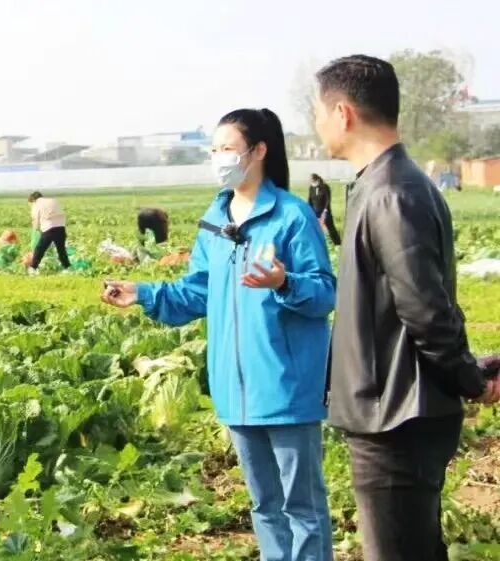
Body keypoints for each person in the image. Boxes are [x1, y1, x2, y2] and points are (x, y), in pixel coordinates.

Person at [104, 108, 335, 561]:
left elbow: (324, 293)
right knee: (264, 505)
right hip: (235, 388)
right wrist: (143, 293)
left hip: (285, 385)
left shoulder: (291, 216)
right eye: (214, 149)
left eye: (227, 148)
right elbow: (198, 291)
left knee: (302, 506)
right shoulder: (215, 219)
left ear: (258, 151)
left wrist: (284, 283)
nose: (219, 158)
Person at [314, 54, 500, 561]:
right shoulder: (384, 184)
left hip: (396, 418)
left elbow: (426, 311)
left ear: (344, 113)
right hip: (391, 411)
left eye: (319, 112)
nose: (317, 123)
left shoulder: (391, 192)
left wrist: (469, 378)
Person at [27, 191, 70, 273]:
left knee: (39, 249)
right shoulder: (53, 200)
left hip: (49, 228)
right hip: (61, 228)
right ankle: (67, 268)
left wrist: (37, 230)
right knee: (61, 250)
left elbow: (36, 221)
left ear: (33, 200)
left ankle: (32, 269)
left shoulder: (36, 204)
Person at [307, 173, 341, 246]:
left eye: (313, 181)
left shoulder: (325, 187)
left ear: (317, 180)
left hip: (325, 211)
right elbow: (310, 200)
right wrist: (309, 209)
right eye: (311, 182)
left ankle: (337, 243)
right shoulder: (311, 187)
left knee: (330, 228)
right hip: (315, 211)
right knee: (314, 229)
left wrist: (325, 210)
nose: (312, 183)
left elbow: (328, 200)